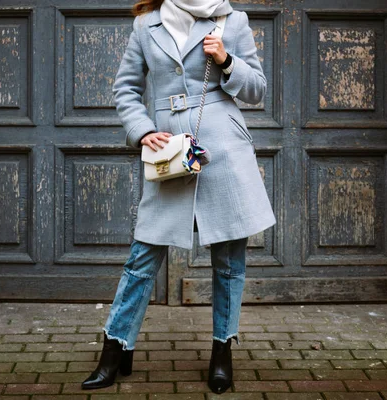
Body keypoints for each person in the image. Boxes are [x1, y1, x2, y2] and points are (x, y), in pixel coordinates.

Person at [81, 0, 276, 394]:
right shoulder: (145, 26)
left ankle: (222, 351)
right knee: (143, 254)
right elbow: (126, 87)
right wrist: (141, 129)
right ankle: (115, 347)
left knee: (228, 260)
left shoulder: (231, 20)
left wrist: (226, 60)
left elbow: (257, 89)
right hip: (169, 150)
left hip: (222, 147)